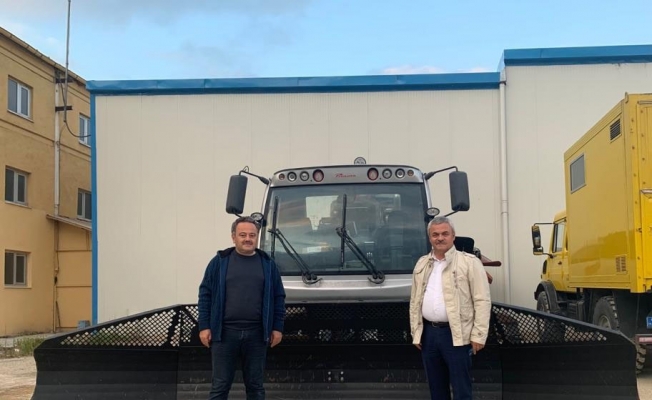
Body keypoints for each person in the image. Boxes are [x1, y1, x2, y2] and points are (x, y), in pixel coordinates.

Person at [198, 216, 286, 400]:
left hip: (257, 335)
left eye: (252, 235)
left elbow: (278, 297)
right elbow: (205, 294)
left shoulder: (268, 264)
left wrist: (277, 327)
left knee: (255, 386)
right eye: (242, 235)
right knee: (220, 386)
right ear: (233, 237)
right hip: (224, 334)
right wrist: (204, 326)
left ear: (257, 237)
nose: (248, 239)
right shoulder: (219, 262)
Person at [409, 216, 491, 400]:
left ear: (453, 236)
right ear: (430, 238)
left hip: (457, 335)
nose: (440, 238)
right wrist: (416, 331)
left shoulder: (469, 263)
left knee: (461, 390)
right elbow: (415, 300)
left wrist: (478, 334)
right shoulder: (422, 263)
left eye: (445, 234)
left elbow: (482, 300)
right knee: (436, 389)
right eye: (435, 234)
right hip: (429, 335)